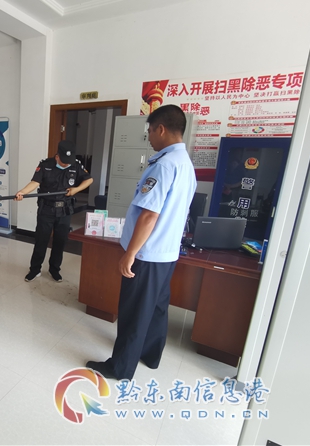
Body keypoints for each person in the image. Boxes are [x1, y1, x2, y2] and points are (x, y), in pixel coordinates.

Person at [86, 105, 196, 380]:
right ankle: (150, 354)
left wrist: (130, 253)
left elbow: (149, 215)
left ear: (161, 129)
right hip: (167, 252)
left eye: (150, 131)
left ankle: (120, 368)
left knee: (134, 311)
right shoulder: (185, 163)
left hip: (148, 253)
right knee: (157, 307)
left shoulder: (164, 165)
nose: (149, 137)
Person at [16, 140, 93, 282]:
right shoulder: (45, 165)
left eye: (68, 162)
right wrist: (22, 192)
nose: (66, 164)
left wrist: (76, 189)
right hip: (46, 209)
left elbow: (89, 180)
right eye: (64, 162)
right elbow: (35, 182)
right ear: (57, 156)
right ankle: (35, 269)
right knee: (41, 240)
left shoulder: (75, 165)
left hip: (65, 210)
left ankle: (54, 269)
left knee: (60, 241)